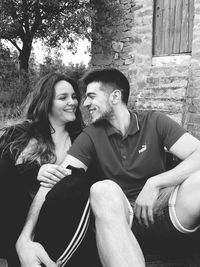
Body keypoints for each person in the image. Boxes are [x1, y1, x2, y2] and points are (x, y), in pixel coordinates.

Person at [17, 67, 200, 267]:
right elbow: (54, 181)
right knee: (102, 189)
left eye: (92, 96)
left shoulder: (155, 121)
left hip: (167, 208)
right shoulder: (91, 136)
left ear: (114, 97)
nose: (85, 103)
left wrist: (155, 183)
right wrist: (25, 239)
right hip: (122, 218)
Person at [0, 72, 85, 267]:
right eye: (63, 97)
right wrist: (32, 172)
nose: (72, 102)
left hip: (56, 220)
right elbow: (3, 174)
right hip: (15, 217)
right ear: (46, 102)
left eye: (74, 97)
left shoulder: (81, 137)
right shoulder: (20, 133)